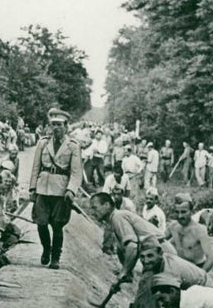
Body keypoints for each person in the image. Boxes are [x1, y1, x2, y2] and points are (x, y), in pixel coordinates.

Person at [29, 108, 82, 269]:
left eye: (59, 125)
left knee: (57, 225)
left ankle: (55, 257)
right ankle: (46, 248)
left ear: (66, 126)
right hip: (43, 189)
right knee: (41, 223)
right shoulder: (43, 142)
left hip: (61, 191)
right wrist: (32, 188)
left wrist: (71, 190)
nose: (56, 128)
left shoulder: (73, 146)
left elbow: (76, 172)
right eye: (53, 125)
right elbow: (35, 167)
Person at [89, 192, 176, 281]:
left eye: (95, 208)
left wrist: (124, 271)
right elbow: (125, 249)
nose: (92, 212)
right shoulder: (114, 219)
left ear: (106, 205)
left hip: (164, 254)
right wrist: (127, 272)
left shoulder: (117, 217)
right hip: (157, 254)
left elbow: (132, 247)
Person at [165, 200, 213, 271]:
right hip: (178, 264)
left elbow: (211, 258)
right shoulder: (173, 226)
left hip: (195, 267)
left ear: (191, 212)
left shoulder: (199, 230)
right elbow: (158, 241)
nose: (180, 216)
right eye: (177, 212)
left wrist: (200, 275)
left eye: (183, 212)